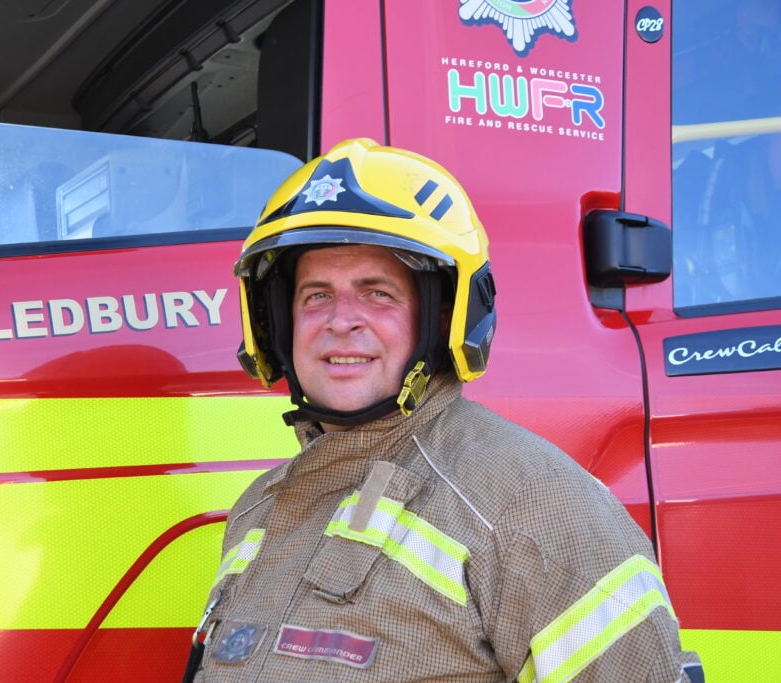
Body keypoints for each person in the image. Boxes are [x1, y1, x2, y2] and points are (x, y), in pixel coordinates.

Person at [184, 139, 703, 682]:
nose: (340, 320)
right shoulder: (258, 511)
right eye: (316, 295)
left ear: (442, 318)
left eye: (377, 293)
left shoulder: (532, 506)